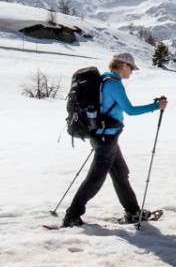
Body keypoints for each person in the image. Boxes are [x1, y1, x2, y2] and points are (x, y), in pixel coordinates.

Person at [61, 52, 168, 227]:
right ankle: (72, 215)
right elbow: (130, 111)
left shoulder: (104, 80)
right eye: (131, 68)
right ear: (123, 65)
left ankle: (133, 211)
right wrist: (157, 106)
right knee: (95, 178)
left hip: (103, 135)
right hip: (106, 137)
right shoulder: (114, 84)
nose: (131, 72)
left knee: (120, 173)